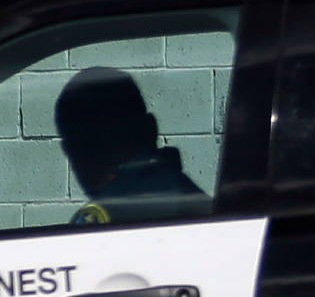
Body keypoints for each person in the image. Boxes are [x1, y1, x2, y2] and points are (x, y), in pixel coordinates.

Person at [54, 66, 211, 225]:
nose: (107, 154)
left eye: (117, 137)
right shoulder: (195, 201)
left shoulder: (101, 217)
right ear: (151, 129)